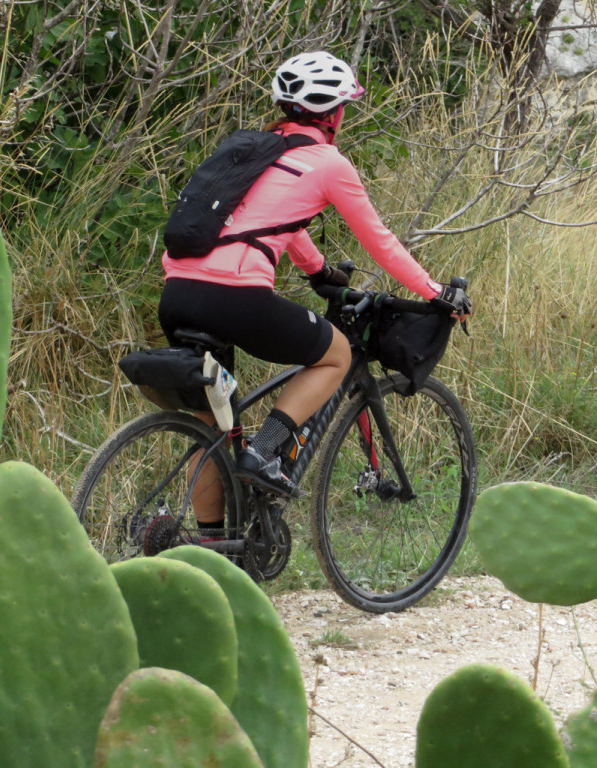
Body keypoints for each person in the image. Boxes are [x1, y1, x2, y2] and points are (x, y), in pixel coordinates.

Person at [157, 51, 472, 527]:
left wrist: (318, 270)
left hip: (177, 293)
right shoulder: (327, 163)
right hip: (235, 296)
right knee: (335, 355)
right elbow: (382, 243)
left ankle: (212, 551)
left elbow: (269, 221)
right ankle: (264, 452)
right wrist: (436, 293)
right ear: (335, 113)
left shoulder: (255, 151)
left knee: (211, 432)